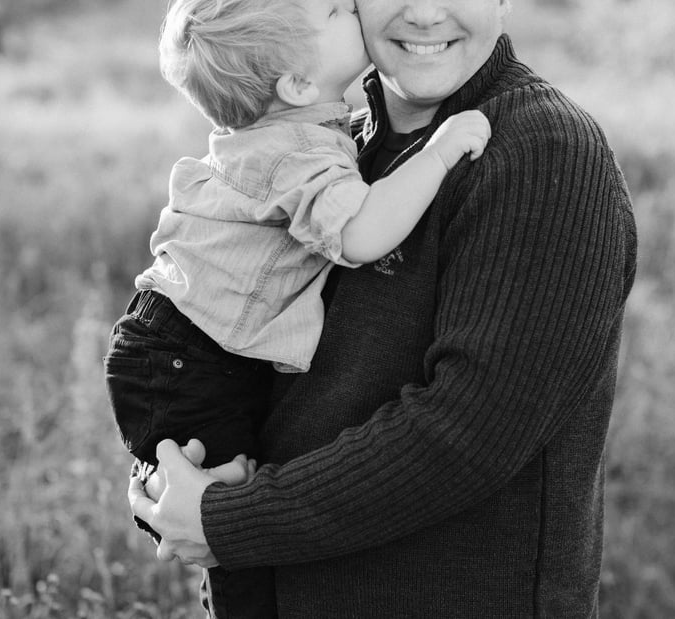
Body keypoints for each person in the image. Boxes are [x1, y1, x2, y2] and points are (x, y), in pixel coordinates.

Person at [129, 0, 638, 617]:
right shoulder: (338, 138)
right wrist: (171, 470)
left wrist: (230, 520)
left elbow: (468, 434)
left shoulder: (541, 149)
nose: (424, 13)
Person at [106, 0, 489, 615]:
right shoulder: (298, 152)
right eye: (338, 11)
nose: (354, 7)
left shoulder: (297, 130)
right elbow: (361, 233)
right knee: (226, 525)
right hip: (192, 360)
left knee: (228, 502)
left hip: (176, 347)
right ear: (297, 83)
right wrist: (438, 154)